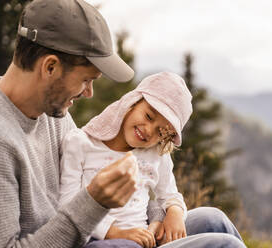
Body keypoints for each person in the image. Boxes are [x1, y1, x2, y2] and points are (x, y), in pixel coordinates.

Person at [0, 0, 246, 248]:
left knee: (213, 220)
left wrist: (163, 211)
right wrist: (94, 204)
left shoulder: (50, 114)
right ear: (50, 67)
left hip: (102, 236)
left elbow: (138, 180)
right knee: (223, 245)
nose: (89, 93)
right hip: (99, 241)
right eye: (86, 79)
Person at [59, 72, 191, 248]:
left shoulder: (156, 155)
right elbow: (67, 203)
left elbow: (169, 195)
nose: (149, 130)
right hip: (96, 240)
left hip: (144, 239)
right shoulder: (81, 143)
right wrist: (115, 233)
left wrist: (174, 212)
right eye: (148, 116)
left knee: (214, 219)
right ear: (132, 103)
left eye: (160, 132)